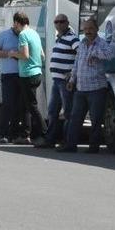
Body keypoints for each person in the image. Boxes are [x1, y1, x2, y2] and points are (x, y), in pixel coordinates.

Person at [59, 19, 115, 153]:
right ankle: (70, 145)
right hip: (81, 89)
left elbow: (110, 54)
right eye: (85, 29)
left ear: (96, 29)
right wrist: (72, 81)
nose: (88, 31)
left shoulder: (101, 43)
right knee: (75, 118)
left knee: (96, 120)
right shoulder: (82, 44)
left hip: (97, 89)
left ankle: (93, 147)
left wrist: (95, 53)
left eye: (90, 28)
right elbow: (77, 64)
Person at [35, 14, 78, 148]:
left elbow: (80, 55)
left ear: (67, 23)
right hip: (57, 80)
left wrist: (72, 74)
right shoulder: (59, 38)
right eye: (56, 22)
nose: (59, 24)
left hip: (65, 82)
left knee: (68, 112)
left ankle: (68, 141)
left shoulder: (72, 38)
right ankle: (50, 139)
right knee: (52, 111)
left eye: (62, 22)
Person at [8, 11, 45, 144]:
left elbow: (25, 55)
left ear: (18, 22)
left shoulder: (23, 35)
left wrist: (13, 53)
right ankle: (25, 135)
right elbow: (42, 55)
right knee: (24, 106)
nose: (14, 27)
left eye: (15, 24)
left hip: (27, 75)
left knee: (32, 107)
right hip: (37, 73)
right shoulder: (34, 33)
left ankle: (45, 134)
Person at [0, 22, 22, 144]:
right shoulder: (3, 35)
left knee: (19, 106)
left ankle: (14, 134)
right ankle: (3, 133)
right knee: (8, 104)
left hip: (23, 75)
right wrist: (9, 54)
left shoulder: (25, 35)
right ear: (15, 24)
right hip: (8, 74)